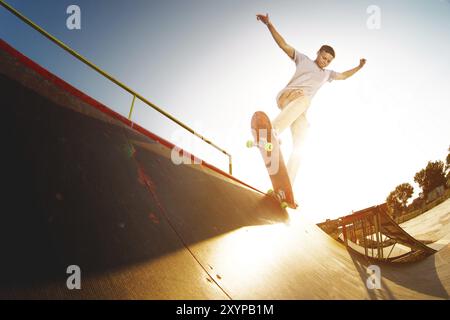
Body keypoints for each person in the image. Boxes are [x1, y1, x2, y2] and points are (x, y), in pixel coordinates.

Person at [256, 13, 366, 185]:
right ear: (318, 53)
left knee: (301, 145)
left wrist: (359, 67)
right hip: (288, 98)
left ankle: (287, 187)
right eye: (323, 57)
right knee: (305, 100)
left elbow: (344, 76)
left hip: (298, 110)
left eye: (328, 61)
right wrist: (269, 24)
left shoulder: (327, 74)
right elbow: (283, 45)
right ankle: (272, 133)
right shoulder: (303, 59)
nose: (325, 62)